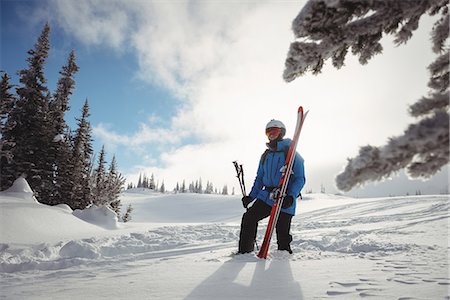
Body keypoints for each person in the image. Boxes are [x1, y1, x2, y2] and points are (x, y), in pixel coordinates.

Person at [238, 119, 305, 254]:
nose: (271, 135)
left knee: (282, 232)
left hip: (284, 197)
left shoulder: (292, 154)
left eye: (274, 132)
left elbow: (300, 178)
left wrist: (291, 196)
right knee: (249, 218)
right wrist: (251, 197)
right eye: (268, 133)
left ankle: (283, 258)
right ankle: (244, 252)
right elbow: (260, 179)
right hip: (266, 197)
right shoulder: (266, 155)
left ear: (281, 133)